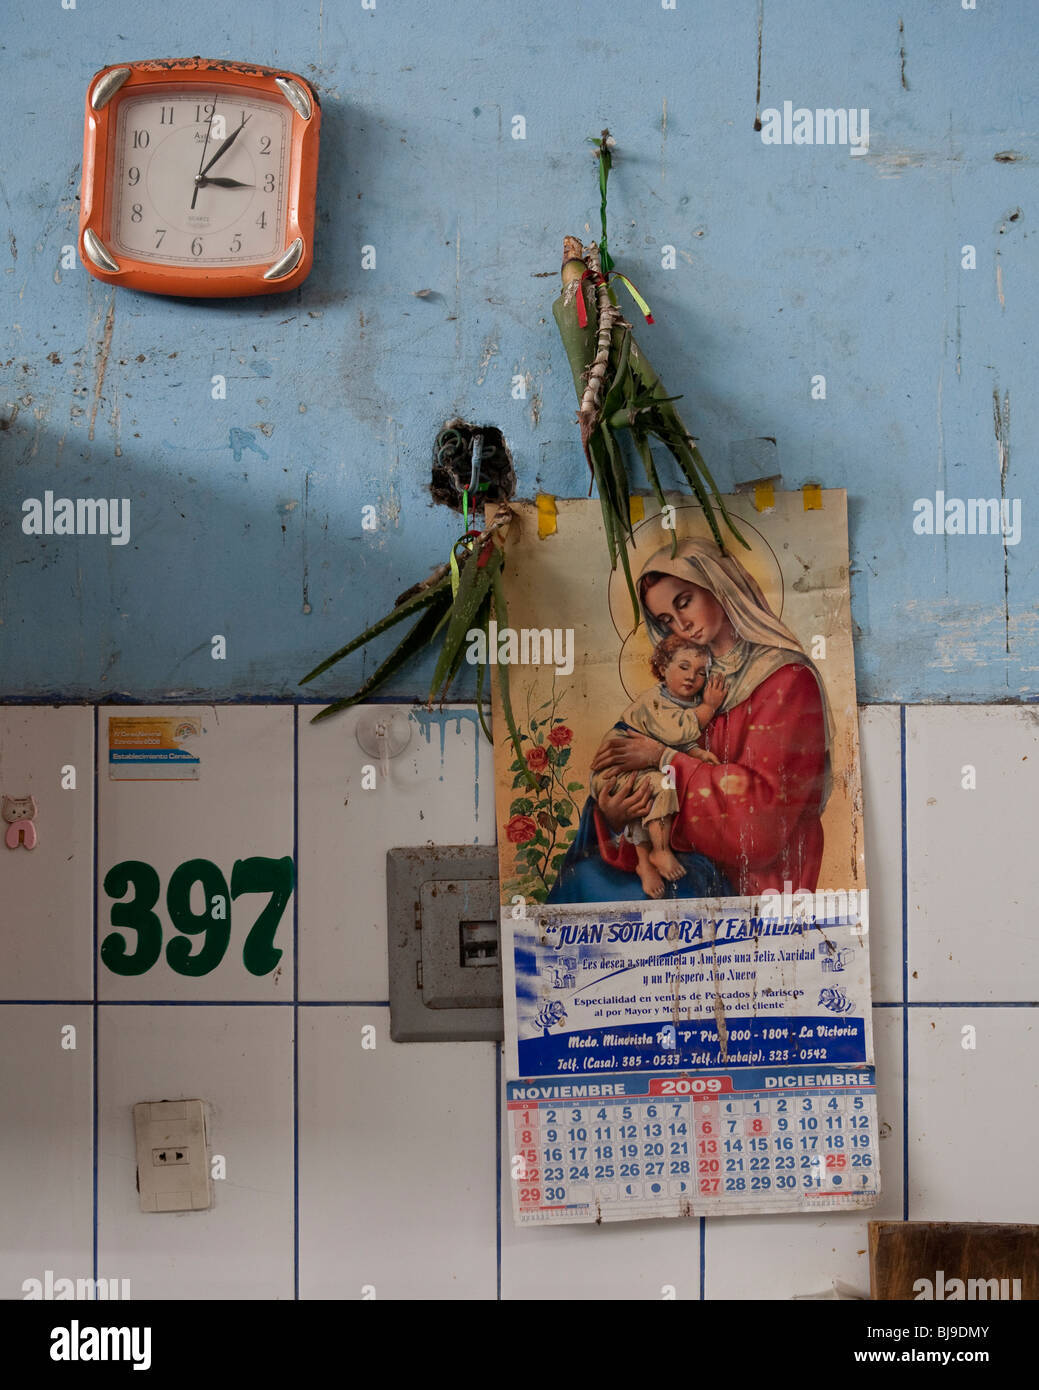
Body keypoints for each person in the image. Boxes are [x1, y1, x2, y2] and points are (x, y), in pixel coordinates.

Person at [548, 537, 833, 904]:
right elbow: (632, 766)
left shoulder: (786, 680)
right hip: (687, 864)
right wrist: (614, 812)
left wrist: (662, 758)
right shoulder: (682, 692)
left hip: (756, 885)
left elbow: (760, 827)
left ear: (718, 586)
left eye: (685, 602)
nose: (682, 624)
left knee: (597, 889)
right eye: (667, 619)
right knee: (582, 879)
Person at [588, 634, 727, 899]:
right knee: (663, 786)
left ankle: (644, 864)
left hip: (633, 770)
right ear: (663, 668)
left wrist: (696, 752)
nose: (691, 677)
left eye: (700, 673)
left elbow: (670, 741)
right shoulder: (653, 700)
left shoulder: (679, 703)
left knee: (648, 799)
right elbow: (673, 732)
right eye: (683, 667)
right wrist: (709, 707)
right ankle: (660, 851)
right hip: (615, 770)